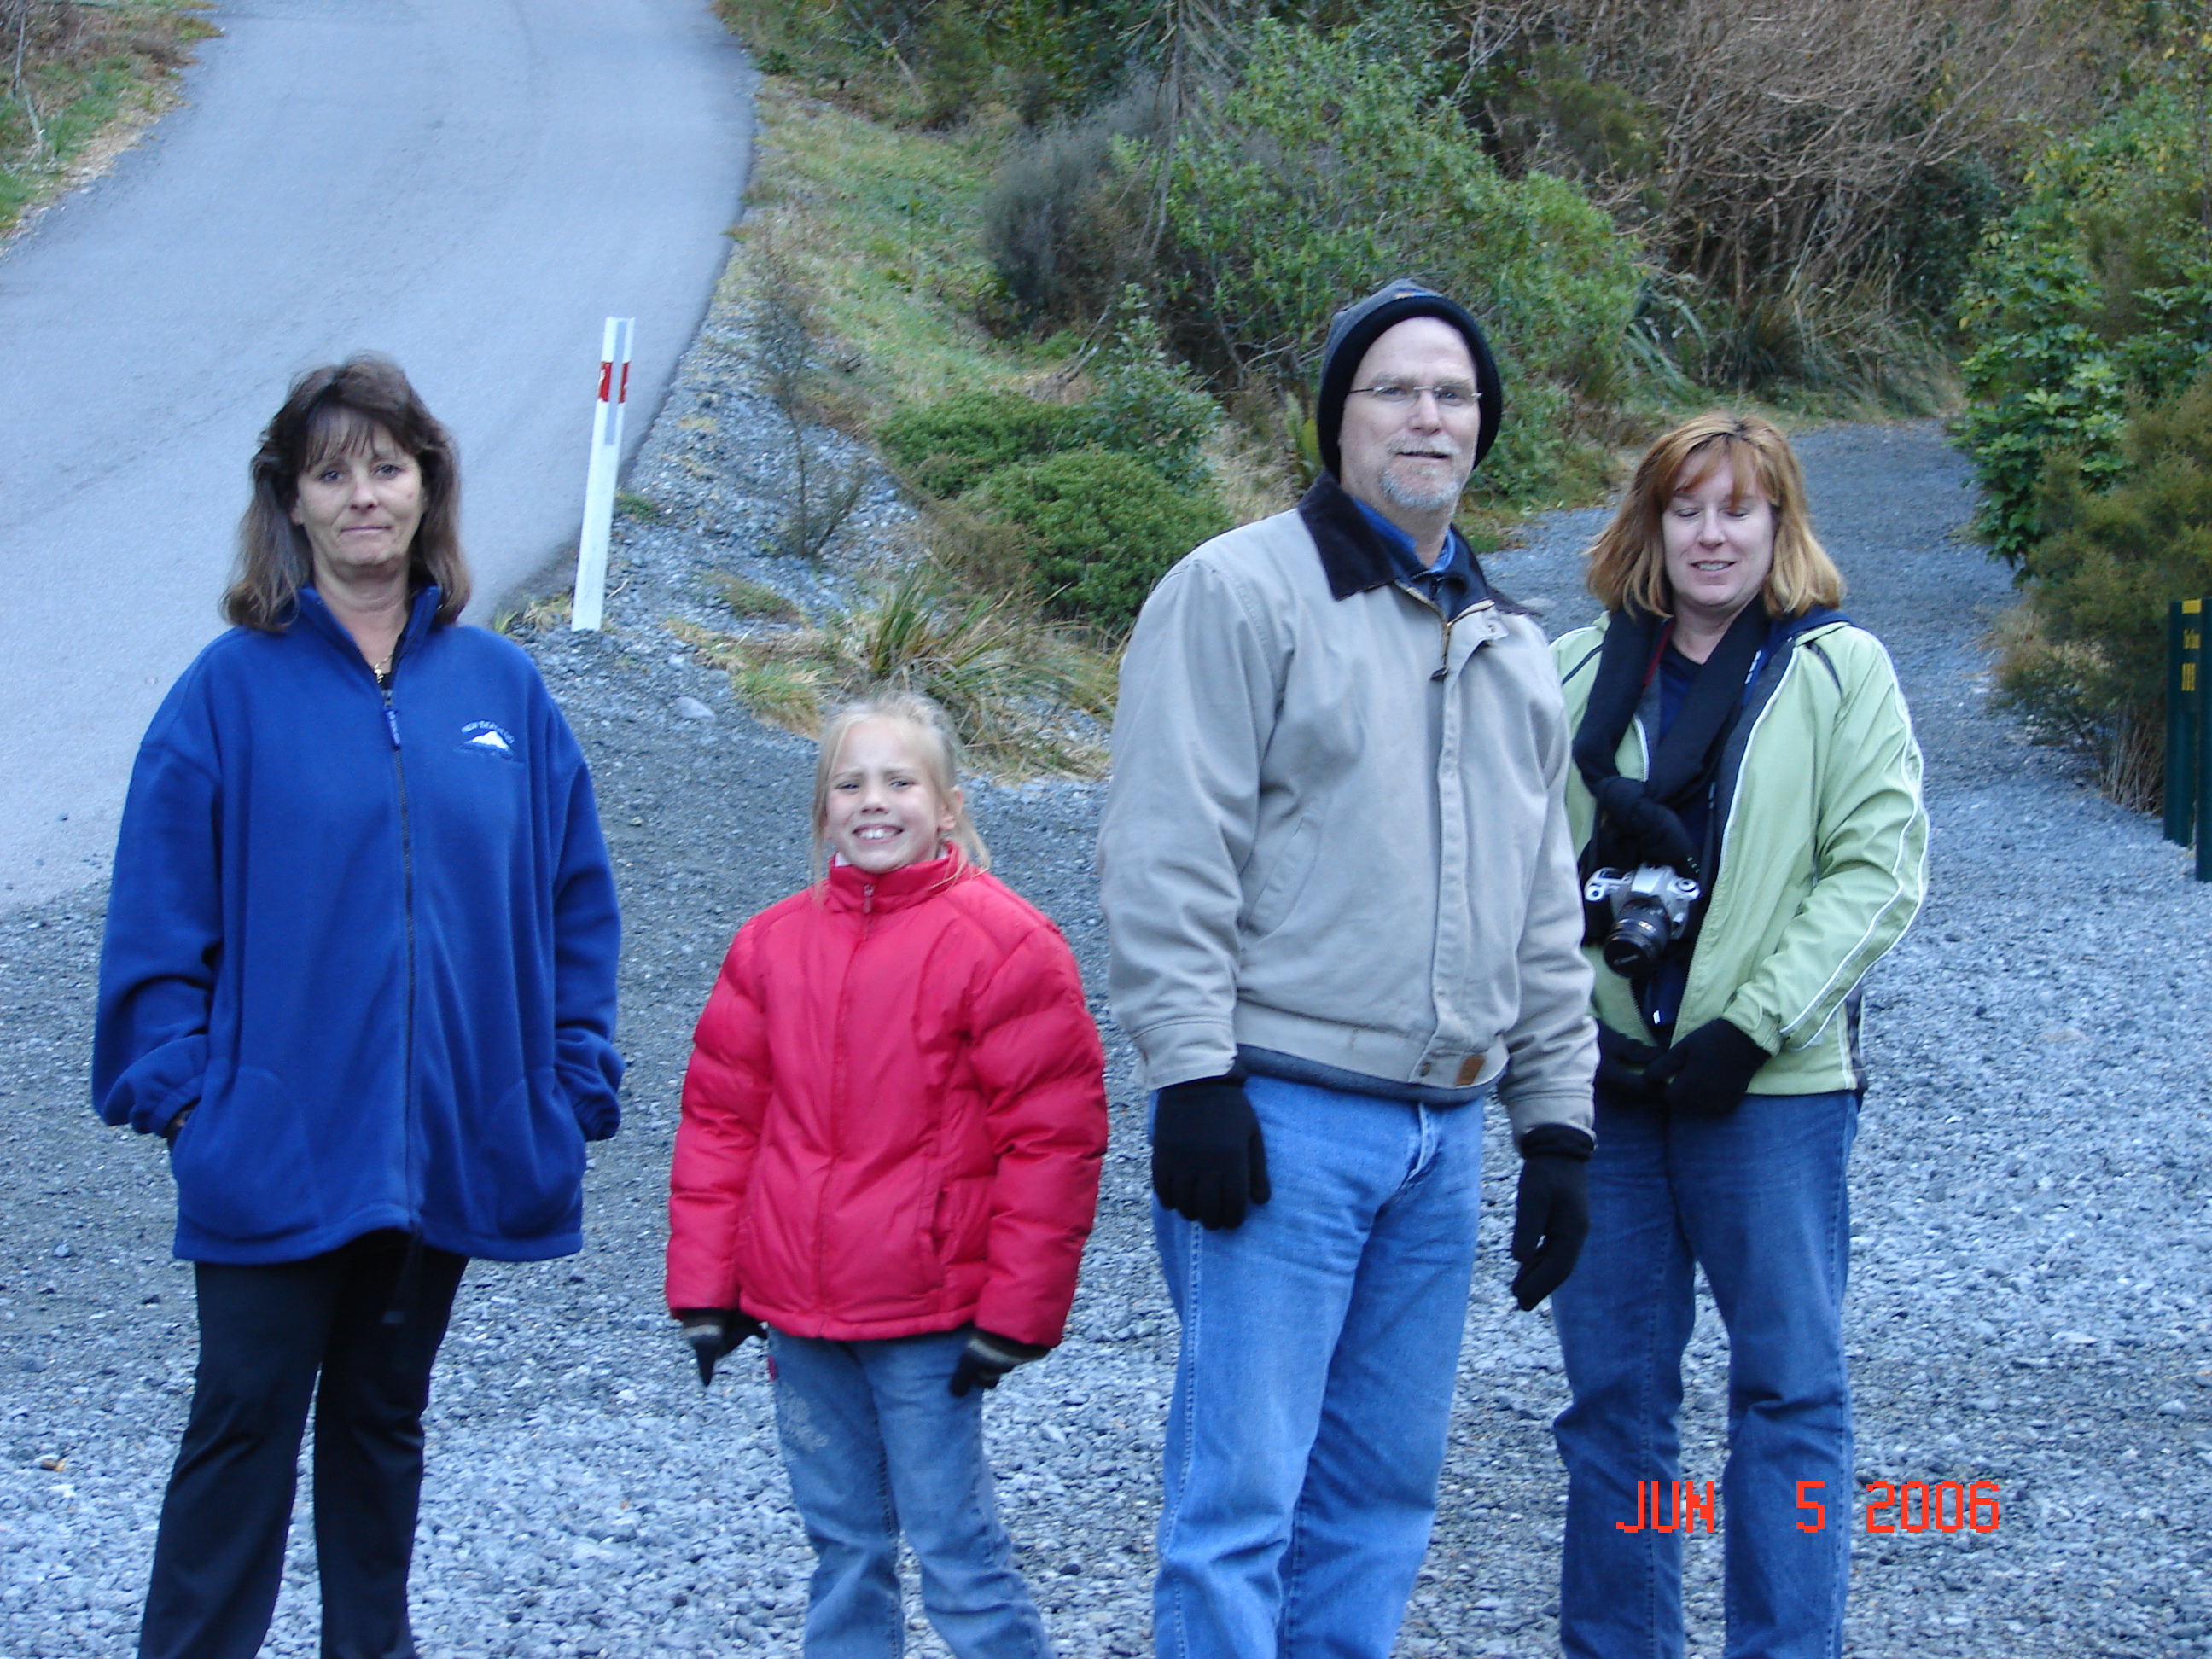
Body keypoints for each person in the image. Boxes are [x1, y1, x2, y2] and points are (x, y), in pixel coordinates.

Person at [1096, 277, 1599, 1659]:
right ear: (1337, 418)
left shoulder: (1512, 646)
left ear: (1482, 424)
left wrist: (1557, 1125)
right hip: (1277, 1121)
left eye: (1453, 393)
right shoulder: (1238, 592)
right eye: (1394, 389)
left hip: (1445, 1140)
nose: (1426, 415)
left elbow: (1542, 906)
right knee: (1238, 1506)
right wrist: (1192, 1074)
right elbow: (1166, 851)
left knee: (1378, 1503)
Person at [93, 355, 624, 1659]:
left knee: (383, 1427)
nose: (363, 496)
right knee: (243, 1424)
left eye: (386, 467)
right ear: (291, 501)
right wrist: (190, 1102)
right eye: (332, 475)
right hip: (270, 1145)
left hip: (444, 1145)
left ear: (426, 485)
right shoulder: (227, 693)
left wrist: (566, 1081)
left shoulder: (504, 694)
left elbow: (575, 899)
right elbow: (158, 912)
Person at [1545, 412, 1928, 1659]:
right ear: (1650, 525)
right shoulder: (1565, 675)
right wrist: (1563, 1031)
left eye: (1739, 510)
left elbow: (1876, 870)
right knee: (1613, 1406)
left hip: (1772, 1095)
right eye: (1687, 509)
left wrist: (1751, 1030)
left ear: (1780, 524)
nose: (1713, 535)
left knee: (1789, 1395)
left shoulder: (1841, 672)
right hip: (1605, 1094)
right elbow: (1509, 874)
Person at [667, 690, 1109, 1659]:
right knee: (843, 1544)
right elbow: (722, 1124)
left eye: (900, 781)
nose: (874, 800)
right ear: (822, 812)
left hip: (928, 1314)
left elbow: (1053, 1142)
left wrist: (1017, 1314)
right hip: (800, 1314)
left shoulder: (1006, 945)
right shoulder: (769, 946)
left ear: (947, 807)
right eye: (849, 784)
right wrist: (707, 1289)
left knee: (955, 1545)